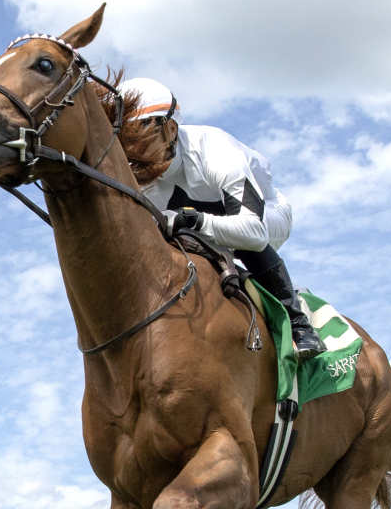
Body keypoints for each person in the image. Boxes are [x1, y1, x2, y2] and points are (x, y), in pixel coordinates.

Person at [118, 77, 326, 362]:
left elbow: (253, 232)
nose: (132, 155)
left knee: (238, 237)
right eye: (124, 142)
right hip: (212, 221)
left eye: (140, 140)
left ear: (170, 128)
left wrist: (193, 221)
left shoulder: (214, 149)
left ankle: (299, 325)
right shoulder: (148, 183)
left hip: (266, 217)